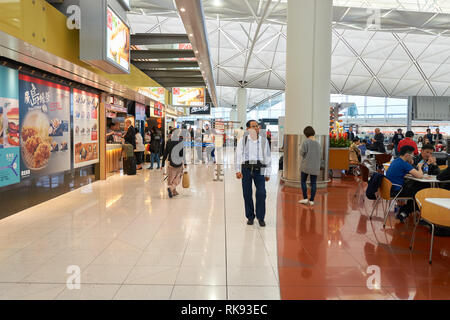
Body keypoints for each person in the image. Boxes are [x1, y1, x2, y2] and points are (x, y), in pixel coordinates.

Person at [235, 120, 271, 227]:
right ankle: (250, 217)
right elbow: (238, 155)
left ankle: (261, 217)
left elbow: (267, 157)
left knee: (261, 193)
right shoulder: (243, 140)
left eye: (257, 126)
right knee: (247, 193)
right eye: (253, 126)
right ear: (248, 129)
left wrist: (268, 173)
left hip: (259, 169)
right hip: (246, 169)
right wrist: (237, 170)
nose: (256, 128)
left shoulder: (263, 140)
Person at [386, 145, 424, 223]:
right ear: (407, 155)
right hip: (397, 190)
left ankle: (404, 212)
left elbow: (401, 172)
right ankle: (407, 212)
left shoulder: (396, 161)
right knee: (420, 193)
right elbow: (420, 176)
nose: (413, 157)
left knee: (415, 188)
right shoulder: (404, 164)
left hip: (389, 188)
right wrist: (420, 167)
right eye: (412, 155)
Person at [298, 126, 321, 206]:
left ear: (306, 133)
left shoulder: (306, 142)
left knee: (303, 181)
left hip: (306, 165)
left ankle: (305, 198)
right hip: (315, 166)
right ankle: (312, 200)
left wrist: (299, 147)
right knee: (313, 183)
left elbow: (301, 153)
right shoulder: (318, 143)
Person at [162, 128, 184, 198]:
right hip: (178, 162)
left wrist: (162, 163)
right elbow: (182, 153)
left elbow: (165, 153)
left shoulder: (168, 142)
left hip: (171, 162)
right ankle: (171, 188)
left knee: (171, 177)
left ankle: (174, 191)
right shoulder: (180, 142)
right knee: (178, 176)